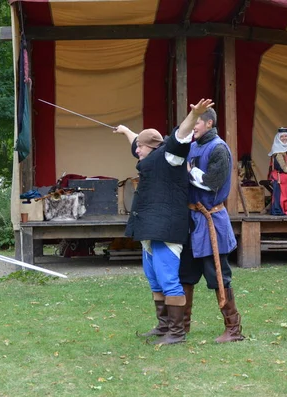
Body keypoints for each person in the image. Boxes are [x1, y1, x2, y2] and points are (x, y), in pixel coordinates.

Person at [113, 98, 214, 345]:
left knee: (169, 279)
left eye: (140, 147)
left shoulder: (171, 155)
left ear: (153, 146)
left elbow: (181, 134)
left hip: (166, 228)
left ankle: (177, 333)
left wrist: (195, 115)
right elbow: (140, 141)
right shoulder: (150, 156)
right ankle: (164, 326)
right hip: (150, 228)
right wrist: (126, 131)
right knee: (155, 278)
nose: (136, 150)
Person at [182, 107, 245, 343]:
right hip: (190, 222)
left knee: (218, 276)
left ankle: (233, 330)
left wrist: (190, 172)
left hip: (210, 222)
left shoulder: (219, 148)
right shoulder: (191, 146)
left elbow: (213, 184)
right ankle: (180, 328)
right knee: (184, 276)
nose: (192, 126)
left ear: (209, 123)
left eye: (196, 122)